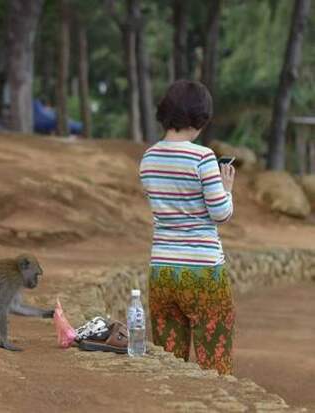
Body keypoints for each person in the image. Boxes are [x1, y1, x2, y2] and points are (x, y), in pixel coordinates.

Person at [138, 80, 236, 375]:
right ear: (199, 118)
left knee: (170, 364)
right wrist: (227, 188)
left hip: (163, 270)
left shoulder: (148, 158)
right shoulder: (203, 157)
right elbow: (220, 214)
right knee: (215, 364)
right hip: (202, 272)